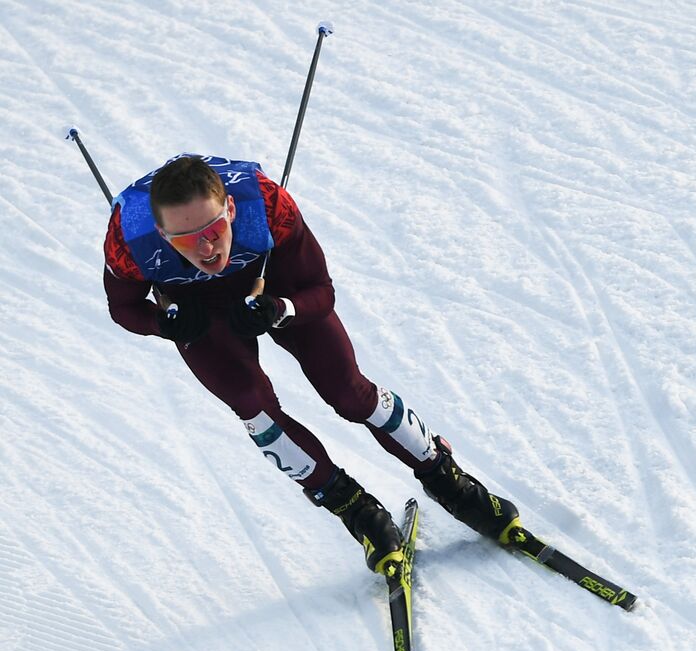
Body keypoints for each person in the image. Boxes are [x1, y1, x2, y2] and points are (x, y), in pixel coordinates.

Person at [103, 153, 520, 573]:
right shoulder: (128, 241)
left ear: (230, 208)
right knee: (255, 410)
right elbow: (123, 308)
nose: (207, 248)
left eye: (214, 230)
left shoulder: (267, 204)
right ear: (161, 232)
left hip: (273, 284)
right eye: (185, 240)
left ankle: (447, 478)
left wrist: (280, 309)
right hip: (199, 313)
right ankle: (357, 511)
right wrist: (164, 323)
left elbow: (321, 290)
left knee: (348, 393)